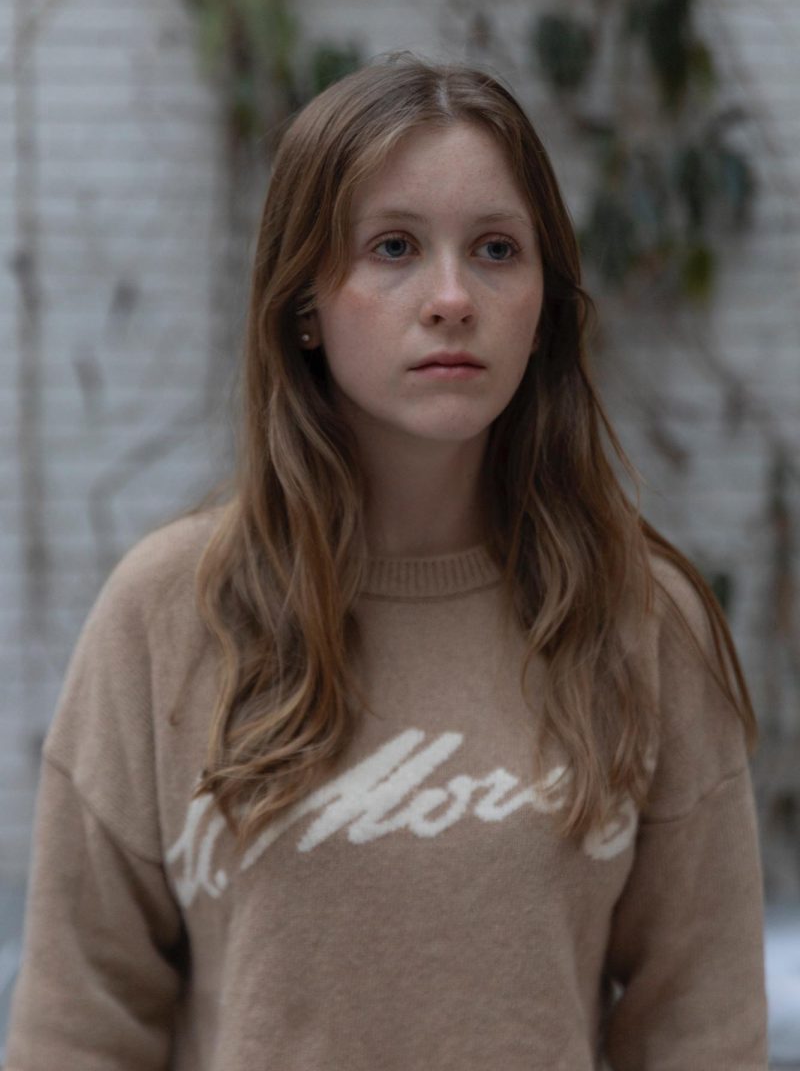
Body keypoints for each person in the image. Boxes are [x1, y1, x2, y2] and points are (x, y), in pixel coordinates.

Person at [6, 52, 768, 1070]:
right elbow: (79, 1025)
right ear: (305, 306)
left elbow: (698, 1028)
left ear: (543, 304)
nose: (451, 297)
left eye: (496, 249)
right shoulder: (169, 614)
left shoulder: (638, 619)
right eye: (393, 247)